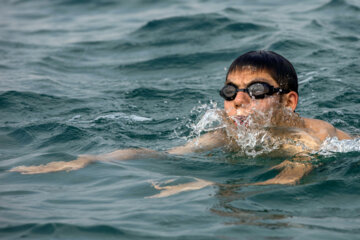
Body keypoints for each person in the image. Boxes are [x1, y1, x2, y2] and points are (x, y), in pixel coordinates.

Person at [10, 50, 352, 195]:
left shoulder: (313, 134)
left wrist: (205, 183)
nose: (239, 100)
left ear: (288, 101)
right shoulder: (228, 134)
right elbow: (166, 154)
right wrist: (88, 160)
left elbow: (292, 176)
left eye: (257, 90)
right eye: (230, 91)